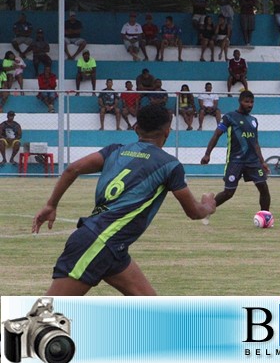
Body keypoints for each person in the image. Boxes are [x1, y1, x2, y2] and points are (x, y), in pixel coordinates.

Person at [32, 104, 216, 296]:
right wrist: (208, 206)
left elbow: (73, 169)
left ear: (136, 128)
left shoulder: (114, 151)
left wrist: (51, 204)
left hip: (112, 247)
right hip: (99, 242)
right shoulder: (169, 165)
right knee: (45, 316)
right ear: (168, 131)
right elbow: (194, 212)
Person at [200, 90, 271, 216]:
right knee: (228, 193)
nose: (250, 105)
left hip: (252, 161)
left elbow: (255, 143)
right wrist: (207, 154)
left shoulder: (253, 120)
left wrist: (262, 161)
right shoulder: (229, 117)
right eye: (247, 102)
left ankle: (265, 216)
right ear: (240, 102)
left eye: (252, 102)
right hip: (235, 160)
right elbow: (217, 135)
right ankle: (205, 210)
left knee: (263, 188)